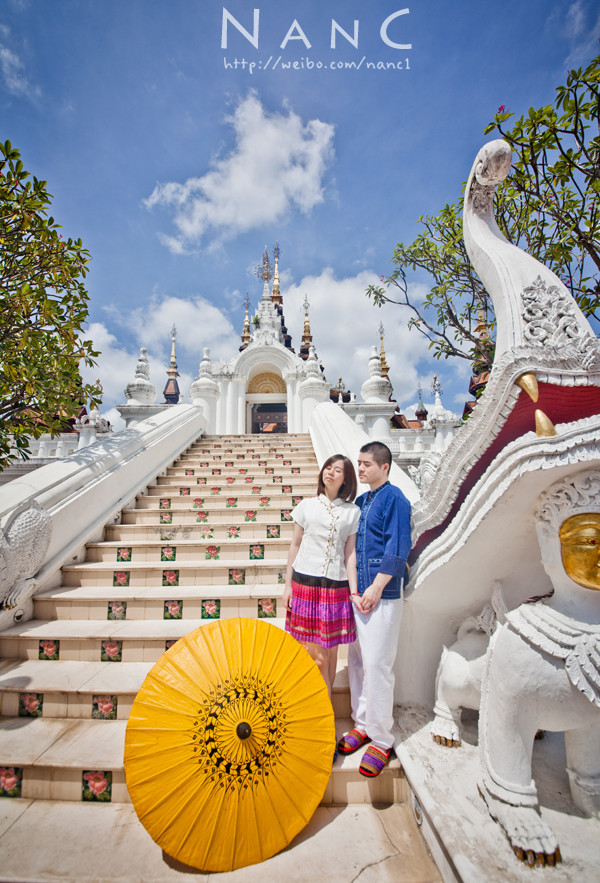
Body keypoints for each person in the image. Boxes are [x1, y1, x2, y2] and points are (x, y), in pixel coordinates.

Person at [337, 441, 411, 778]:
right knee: (356, 661)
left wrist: (376, 587)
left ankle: (381, 740)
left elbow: (399, 548)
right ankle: (362, 722)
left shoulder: (396, 499)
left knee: (378, 665)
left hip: (383, 595)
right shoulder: (361, 502)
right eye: (359, 462)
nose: (361, 469)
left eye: (367, 464)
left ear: (384, 466)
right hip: (357, 595)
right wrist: (355, 590)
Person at [283, 455, 360, 700]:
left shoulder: (352, 512)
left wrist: (354, 590)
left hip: (336, 587)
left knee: (330, 655)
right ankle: (318, 711)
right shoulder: (306, 506)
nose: (330, 472)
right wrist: (288, 586)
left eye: (338, 470)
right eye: (328, 467)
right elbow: (295, 545)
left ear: (346, 479)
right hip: (306, 583)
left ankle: (323, 716)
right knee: (314, 656)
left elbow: (350, 554)